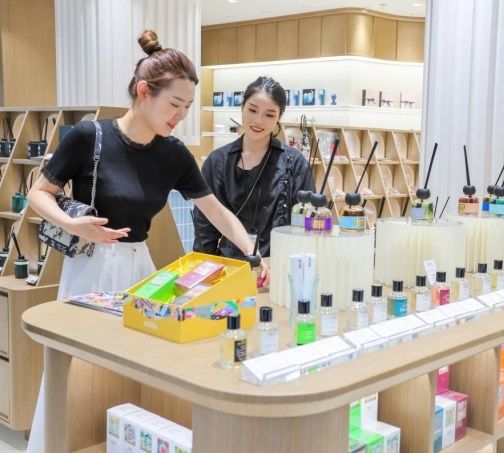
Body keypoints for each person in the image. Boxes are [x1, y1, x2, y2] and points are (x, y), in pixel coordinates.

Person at [28, 30, 268, 299]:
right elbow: (38, 193)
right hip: (90, 265)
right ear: (144, 91)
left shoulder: (174, 154)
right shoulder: (89, 136)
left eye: (188, 106)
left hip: (141, 264)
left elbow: (217, 212)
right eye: (175, 104)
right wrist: (72, 225)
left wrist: (253, 253)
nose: (181, 115)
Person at [193, 76, 315, 258]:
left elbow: (307, 224)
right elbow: (205, 228)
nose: (259, 121)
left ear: (279, 117)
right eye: (252, 110)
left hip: (278, 264)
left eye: (269, 115)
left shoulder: (295, 162)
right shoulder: (217, 161)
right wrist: (206, 267)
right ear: (242, 105)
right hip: (231, 267)